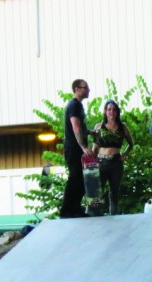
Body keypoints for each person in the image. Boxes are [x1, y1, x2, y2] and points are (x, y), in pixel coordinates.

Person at [93, 100, 134, 215]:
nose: (112, 112)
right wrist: (91, 163)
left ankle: (114, 216)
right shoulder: (99, 126)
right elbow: (94, 148)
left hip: (116, 162)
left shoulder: (122, 127)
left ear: (117, 112)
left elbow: (131, 144)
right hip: (101, 162)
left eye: (114, 110)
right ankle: (94, 216)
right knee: (97, 191)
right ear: (105, 111)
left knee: (114, 192)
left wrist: (124, 155)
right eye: (109, 109)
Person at [60, 79, 93, 218]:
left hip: (77, 147)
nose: (88, 90)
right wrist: (83, 146)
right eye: (85, 88)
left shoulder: (79, 106)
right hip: (73, 148)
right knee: (75, 177)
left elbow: (82, 128)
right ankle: (66, 211)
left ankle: (75, 209)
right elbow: (75, 126)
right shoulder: (73, 105)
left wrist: (92, 132)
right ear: (76, 89)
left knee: (81, 178)